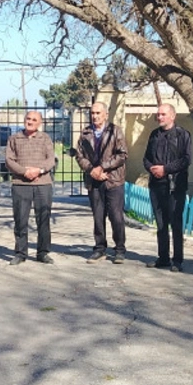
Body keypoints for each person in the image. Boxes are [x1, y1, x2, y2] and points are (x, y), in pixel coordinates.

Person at [76, 101, 128, 264]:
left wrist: (103, 168)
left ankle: (119, 249)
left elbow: (122, 155)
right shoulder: (85, 133)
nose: (95, 116)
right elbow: (79, 156)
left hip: (113, 180)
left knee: (116, 216)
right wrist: (92, 170)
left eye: (98, 113)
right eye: (92, 113)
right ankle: (99, 249)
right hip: (94, 181)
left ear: (106, 114)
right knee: (98, 217)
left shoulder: (115, 131)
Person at [143, 103, 192, 271]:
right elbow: (146, 158)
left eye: (163, 114)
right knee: (161, 223)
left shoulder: (182, 135)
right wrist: (152, 169)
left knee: (175, 223)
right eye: (158, 114)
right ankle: (162, 257)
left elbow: (186, 160)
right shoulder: (154, 135)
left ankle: (177, 260)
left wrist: (166, 169)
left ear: (172, 116)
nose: (159, 117)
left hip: (174, 186)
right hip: (156, 186)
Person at [5, 110, 57, 264]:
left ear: (39, 123)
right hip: (21, 184)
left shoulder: (45, 138)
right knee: (20, 219)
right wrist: (24, 171)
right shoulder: (14, 138)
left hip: (43, 184)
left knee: (43, 219)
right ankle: (21, 253)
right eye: (28, 119)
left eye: (34, 120)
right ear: (24, 120)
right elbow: (9, 160)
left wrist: (38, 170)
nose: (30, 122)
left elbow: (51, 160)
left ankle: (43, 252)